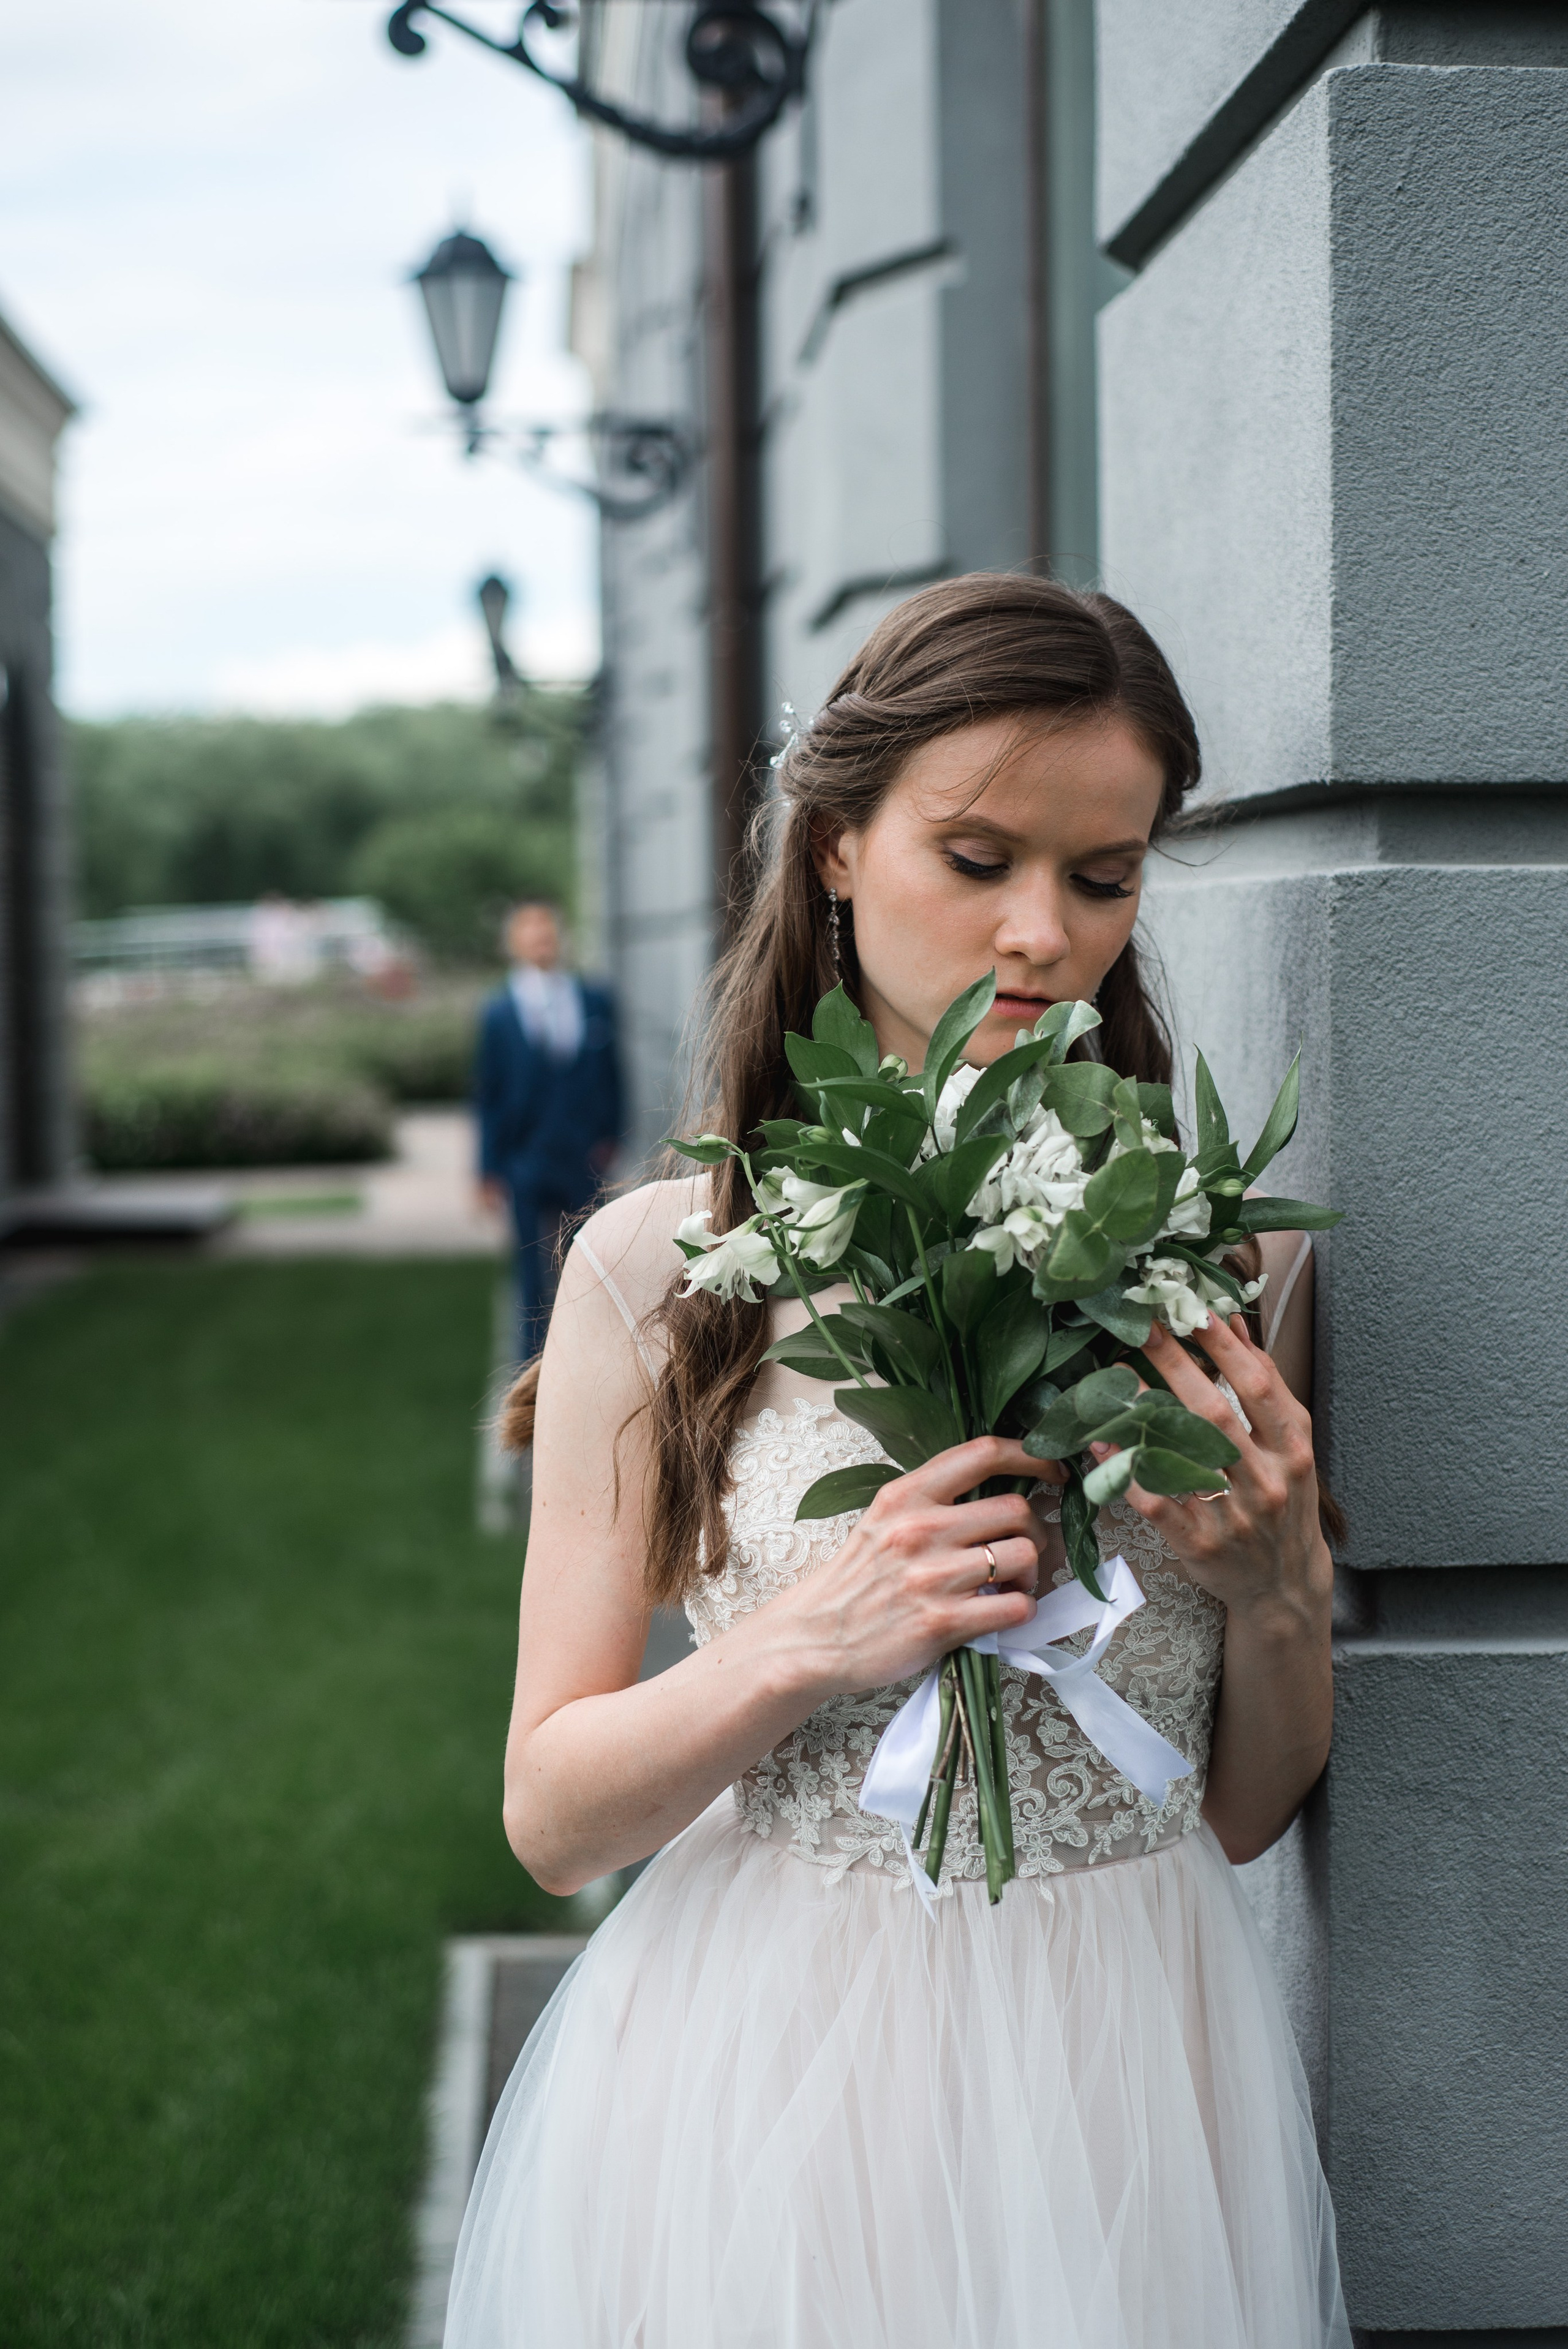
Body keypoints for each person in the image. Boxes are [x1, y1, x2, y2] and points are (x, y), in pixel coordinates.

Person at [447, 577, 1349, 2348]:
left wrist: (1275, 1588)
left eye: (1105, 877)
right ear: (840, 844)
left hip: (1134, 2068)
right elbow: (554, 1819)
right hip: (770, 2079)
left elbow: (1244, 1810)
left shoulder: (1233, 1264)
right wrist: (810, 1633)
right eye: (980, 856)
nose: (1044, 934)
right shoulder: (657, 1271)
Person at [474, 900, 623, 1365]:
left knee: (589, 1258)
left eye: (547, 931)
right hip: (524, 1156)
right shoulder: (498, 1013)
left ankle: (590, 1356)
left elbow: (612, 1072)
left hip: (582, 1152)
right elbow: (488, 1094)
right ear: (514, 944)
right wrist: (488, 1168)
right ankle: (532, 1371)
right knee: (530, 1270)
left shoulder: (592, 998)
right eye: (530, 932)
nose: (541, 940)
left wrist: (611, 1132)